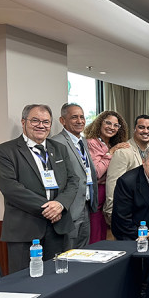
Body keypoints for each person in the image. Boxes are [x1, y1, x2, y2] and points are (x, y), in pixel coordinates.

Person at [0, 104, 79, 273]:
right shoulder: (6, 150)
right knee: (24, 284)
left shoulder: (59, 149)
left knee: (57, 281)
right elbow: (10, 188)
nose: (41, 125)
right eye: (35, 120)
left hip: (58, 228)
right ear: (23, 122)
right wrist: (49, 208)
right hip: (24, 230)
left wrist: (60, 205)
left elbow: (73, 180)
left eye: (46, 122)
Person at [52, 103, 98, 249]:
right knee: (68, 250)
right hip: (70, 207)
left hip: (86, 204)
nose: (80, 121)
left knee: (84, 248)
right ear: (62, 120)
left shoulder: (83, 141)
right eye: (74, 117)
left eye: (82, 117)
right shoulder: (56, 142)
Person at [85, 110, 129, 243]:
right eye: (108, 123)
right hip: (97, 192)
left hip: (109, 191)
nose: (112, 127)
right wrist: (110, 153)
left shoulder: (111, 143)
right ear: (100, 123)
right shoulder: (91, 142)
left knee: (104, 232)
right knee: (96, 232)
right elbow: (96, 172)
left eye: (116, 125)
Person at [105, 114, 149, 224]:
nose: (146, 131)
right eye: (141, 127)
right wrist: (111, 212)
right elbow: (113, 183)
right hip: (126, 213)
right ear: (134, 129)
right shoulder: (123, 151)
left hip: (145, 213)